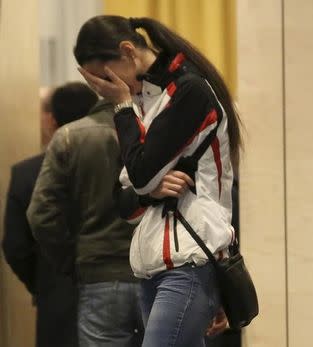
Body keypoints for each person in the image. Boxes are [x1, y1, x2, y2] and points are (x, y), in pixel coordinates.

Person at [75, 15, 241, 346]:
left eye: (105, 79)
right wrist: (151, 193)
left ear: (127, 51)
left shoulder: (188, 91)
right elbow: (122, 201)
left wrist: (121, 105)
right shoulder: (143, 101)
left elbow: (139, 174)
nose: (105, 90)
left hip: (191, 258)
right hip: (152, 263)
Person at [27, 92, 144, 345]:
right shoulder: (157, 128)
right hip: (158, 273)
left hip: (99, 274)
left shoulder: (71, 136)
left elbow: (40, 215)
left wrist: (71, 261)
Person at [3, 82, 98, 347]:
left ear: (51, 122)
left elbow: (16, 247)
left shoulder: (25, 174)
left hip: (55, 298)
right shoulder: (120, 165)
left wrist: (45, 282)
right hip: (118, 293)